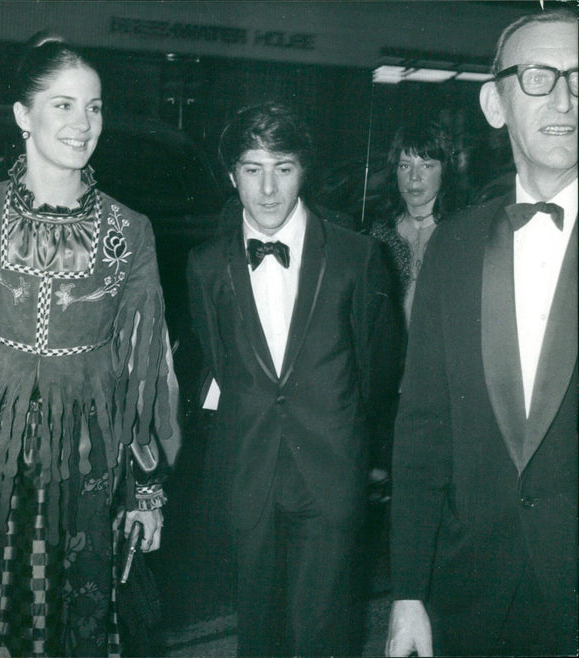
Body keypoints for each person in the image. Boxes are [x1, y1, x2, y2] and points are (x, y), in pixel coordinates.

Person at [0, 35, 180, 657]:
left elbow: (141, 373)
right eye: (64, 105)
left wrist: (147, 488)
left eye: (94, 107)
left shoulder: (131, 231)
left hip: (85, 464)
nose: (83, 124)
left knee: (77, 621)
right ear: (23, 115)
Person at [387, 9, 577, 657]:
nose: (564, 98)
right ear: (494, 103)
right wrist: (408, 590)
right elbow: (423, 429)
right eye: (538, 76)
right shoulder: (456, 247)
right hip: (470, 592)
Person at [186, 101, 403, 656]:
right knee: (256, 635)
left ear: (304, 171)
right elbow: (219, 366)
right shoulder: (206, 265)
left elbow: (378, 372)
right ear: (232, 174)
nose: (267, 189)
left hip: (331, 473)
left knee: (324, 633)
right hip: (247, 477)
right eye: (253, 169)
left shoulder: (358, 257)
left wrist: (365, 456)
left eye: (283, 168)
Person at [371, 122, 456, 327]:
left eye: (426, 165)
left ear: (444, 170)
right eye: (405, 165)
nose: (414, 177)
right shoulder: (378, 236)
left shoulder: (458, 233)